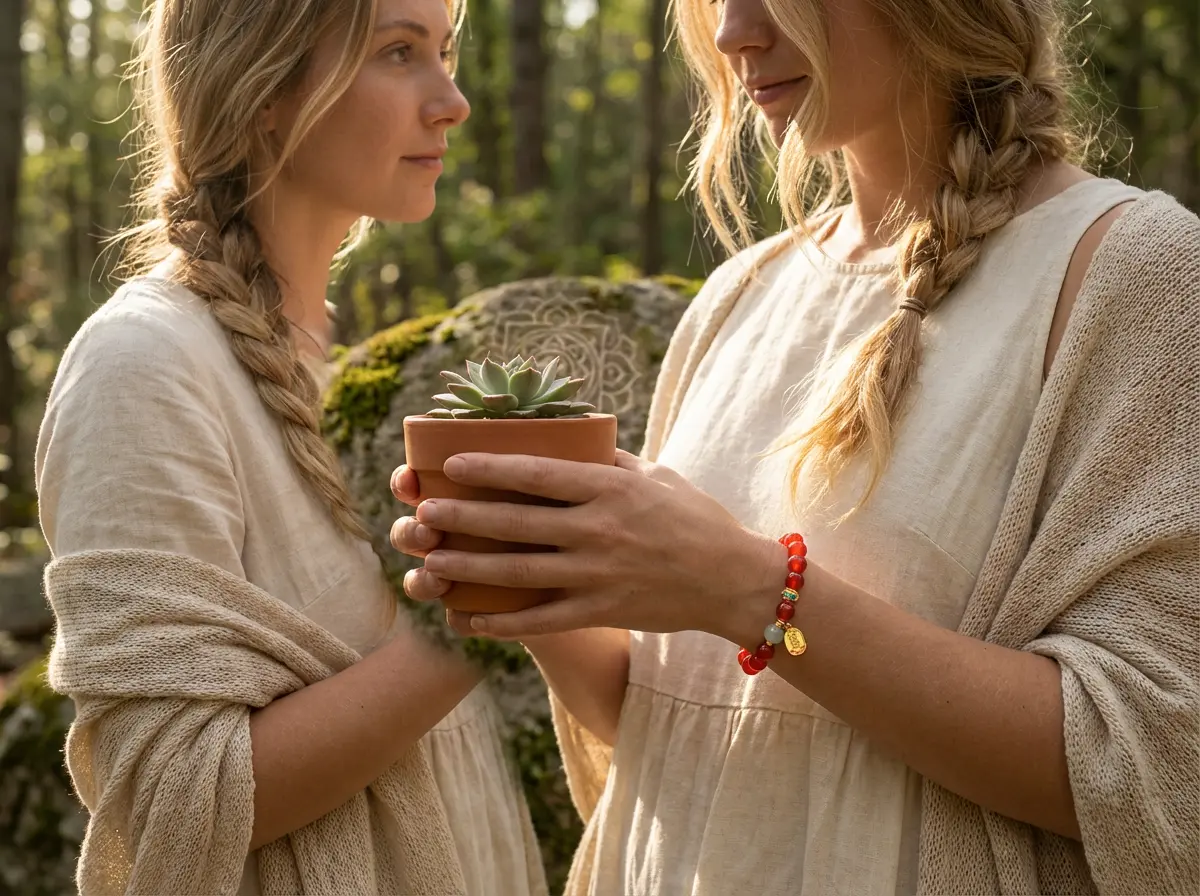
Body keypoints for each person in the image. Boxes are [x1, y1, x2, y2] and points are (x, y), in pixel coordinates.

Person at [390, 0, 1200, 892]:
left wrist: (750, 590)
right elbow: (680, 728)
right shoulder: (739, 296)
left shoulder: (1140, 273)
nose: (733, 32)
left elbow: (1158, 770)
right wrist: (546, 584)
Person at [35, 1, 547, 894]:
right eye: (400, 53)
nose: (453, 101)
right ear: (264, 89)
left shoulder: (343, 370)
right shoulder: (145, 364)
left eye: (446, 51)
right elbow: (168, 807)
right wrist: (477, 618)